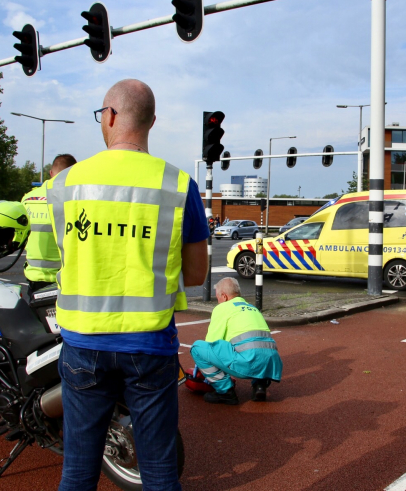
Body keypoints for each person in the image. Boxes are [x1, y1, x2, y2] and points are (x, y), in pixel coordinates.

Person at [47, 79, 209, 491]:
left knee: (79, 471)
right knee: (158, 471)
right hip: (148, 345)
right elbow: (195, 276)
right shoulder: (177, 184)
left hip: (83, 342)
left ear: (111, 116)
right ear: (152, 121)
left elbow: (63, 259)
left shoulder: (65, 184)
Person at [190, 277, 283, 405]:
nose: (218, 301)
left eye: (217, 297)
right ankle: (259, 386)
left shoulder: (222, 308)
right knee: (259, 349)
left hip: (248, 362)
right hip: (271, 363)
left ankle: (225, 392)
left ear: (224, 296)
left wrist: (203, 370)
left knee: (197, 348)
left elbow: (211, 343)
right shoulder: (253, 308)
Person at [21, 154, 77, 294]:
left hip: (34, 276)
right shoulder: (75, 199)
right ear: (74, 173)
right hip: (63, 279)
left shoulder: (28, 199)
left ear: (51, 173)